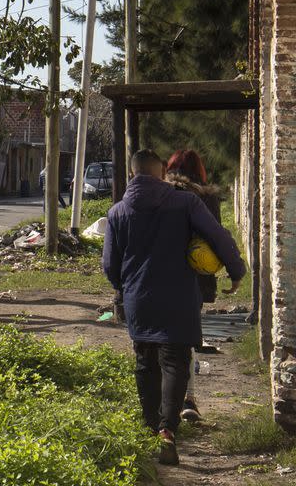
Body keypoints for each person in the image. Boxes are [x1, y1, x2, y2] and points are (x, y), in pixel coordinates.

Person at [102, 149, 245, 466]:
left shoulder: (117, 213)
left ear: (132, 175)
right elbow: (218, 237)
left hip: (139, 300)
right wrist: (236, 272)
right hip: (180, 298)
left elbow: (110, 265)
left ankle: (150, 428)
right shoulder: (186, 203)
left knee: (145, 362)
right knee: (175, 363)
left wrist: (123, 288)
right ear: (161, 174)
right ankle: (167, 431)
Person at [165, 149, 222, 424]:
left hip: (159, 277)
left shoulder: (161, 195)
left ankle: (163, 403)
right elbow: (217, 237)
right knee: (187, 339)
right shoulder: (207, 198)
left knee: (159, 340)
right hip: (194, 278)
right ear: (200, 171)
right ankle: (189, 399)